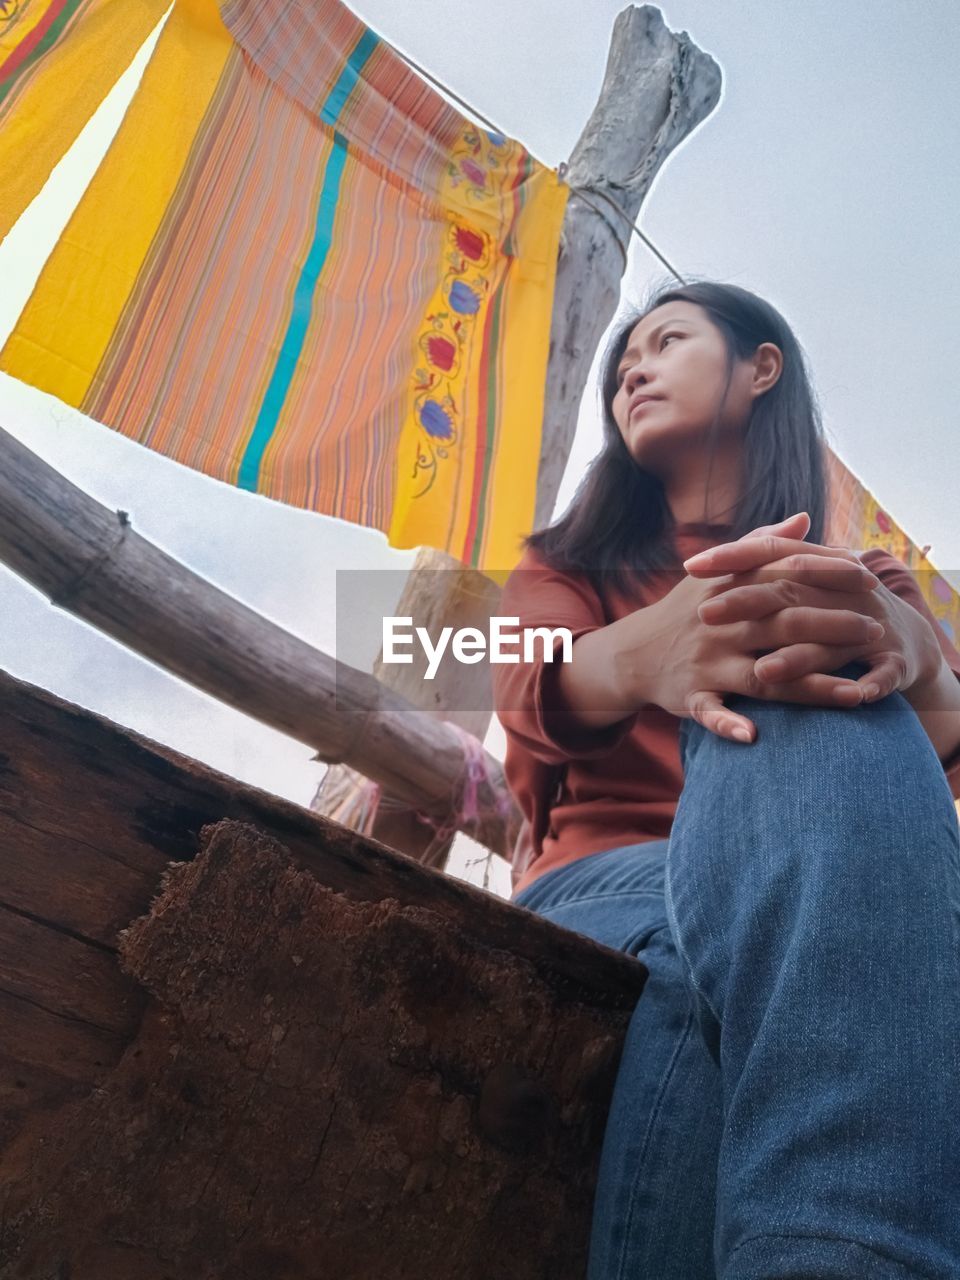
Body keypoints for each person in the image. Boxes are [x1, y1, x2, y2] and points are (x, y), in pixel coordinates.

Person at [492, 280, 960, 1279]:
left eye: (665, 343)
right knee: (711, 935)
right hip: (616, 880)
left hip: (841, 876)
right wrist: (638, 655)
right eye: (623, 369)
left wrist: (917, 655)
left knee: (812, 654)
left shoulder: (864, 578)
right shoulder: (565, 565)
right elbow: (524, 714)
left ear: (761, 366)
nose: (634, 374)